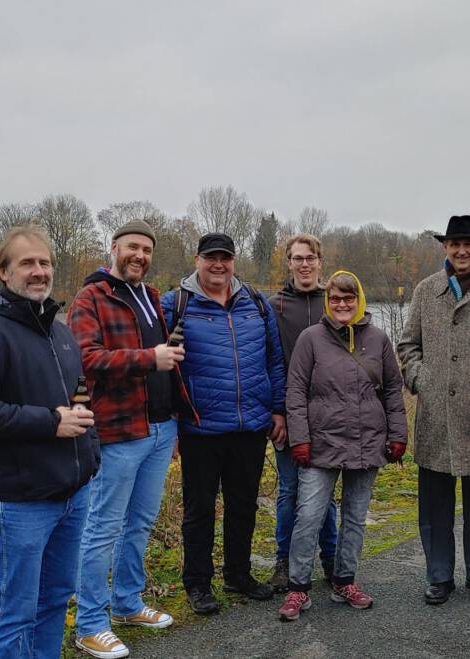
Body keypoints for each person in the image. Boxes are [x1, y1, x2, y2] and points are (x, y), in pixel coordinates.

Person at [0, 226, 100, 659]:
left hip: (74, 494)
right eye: (27, 263)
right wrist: (50, 422)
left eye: (45, 262)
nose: (38, 271)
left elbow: (80, 402)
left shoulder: (60, 331)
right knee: (14, 612)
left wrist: (92, 456)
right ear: (3, 272)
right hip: (22, 501)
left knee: (55, 602)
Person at [67, 220, 186, 658]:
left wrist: (173, 421)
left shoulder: (151, 296)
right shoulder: (90, 297)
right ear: (114, 248)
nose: (140, 256)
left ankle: (127, 603)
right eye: (133, 247)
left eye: (147, 250)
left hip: (159, 428)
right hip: (118, 431)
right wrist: (148, 359)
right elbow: (84, 358)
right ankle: (90, 624)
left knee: (139, 523)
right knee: (102, 528)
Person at [160, 233, 286, 614]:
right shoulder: (176, 303)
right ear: (197, 260)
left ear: (234, 261)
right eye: (211, 258)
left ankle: (238, 574)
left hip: (249, 425)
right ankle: (198, 583)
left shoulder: (257, 304)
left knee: (243, 504)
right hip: (199, 427)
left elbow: (274, 361)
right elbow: (162, 367)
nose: (219, 265)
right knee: (199, 509)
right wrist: (172, 421)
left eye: (225, 258)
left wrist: (276, 409)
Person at [397, 215, 470, 606]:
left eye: (469, 243)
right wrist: (421, 379)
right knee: (434, 504)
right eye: (454, 244)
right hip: (435, 415)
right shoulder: (425, 290)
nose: (462, 250)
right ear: (445, 247)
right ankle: (438, 576)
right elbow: (407, 345)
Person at [277, 270, 408, 620]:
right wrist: (300, 439)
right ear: (328, 301)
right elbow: (295, 392)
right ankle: (297, 588)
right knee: (309, 515)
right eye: (335, 298)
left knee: (354, 517)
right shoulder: (311, 339)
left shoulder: (378, 339)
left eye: (348, 298)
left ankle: (344, 580)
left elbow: (393, 390)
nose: (342, 304)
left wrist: (397, 435)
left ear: (359, 299)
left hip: (368, 442)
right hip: (321, 443)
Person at [267, 233, 339, 592]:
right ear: (289, 263)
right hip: (288, 414)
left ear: (319, 261)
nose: (304, 264)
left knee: (325, 492)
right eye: (297, 258)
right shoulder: (275, 305)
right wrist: (276, 413)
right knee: (291, 490)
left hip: (330, 415)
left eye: (310, 257)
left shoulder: (335, 301)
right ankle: (284, 560)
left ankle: (331, 558)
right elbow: (270, 361)